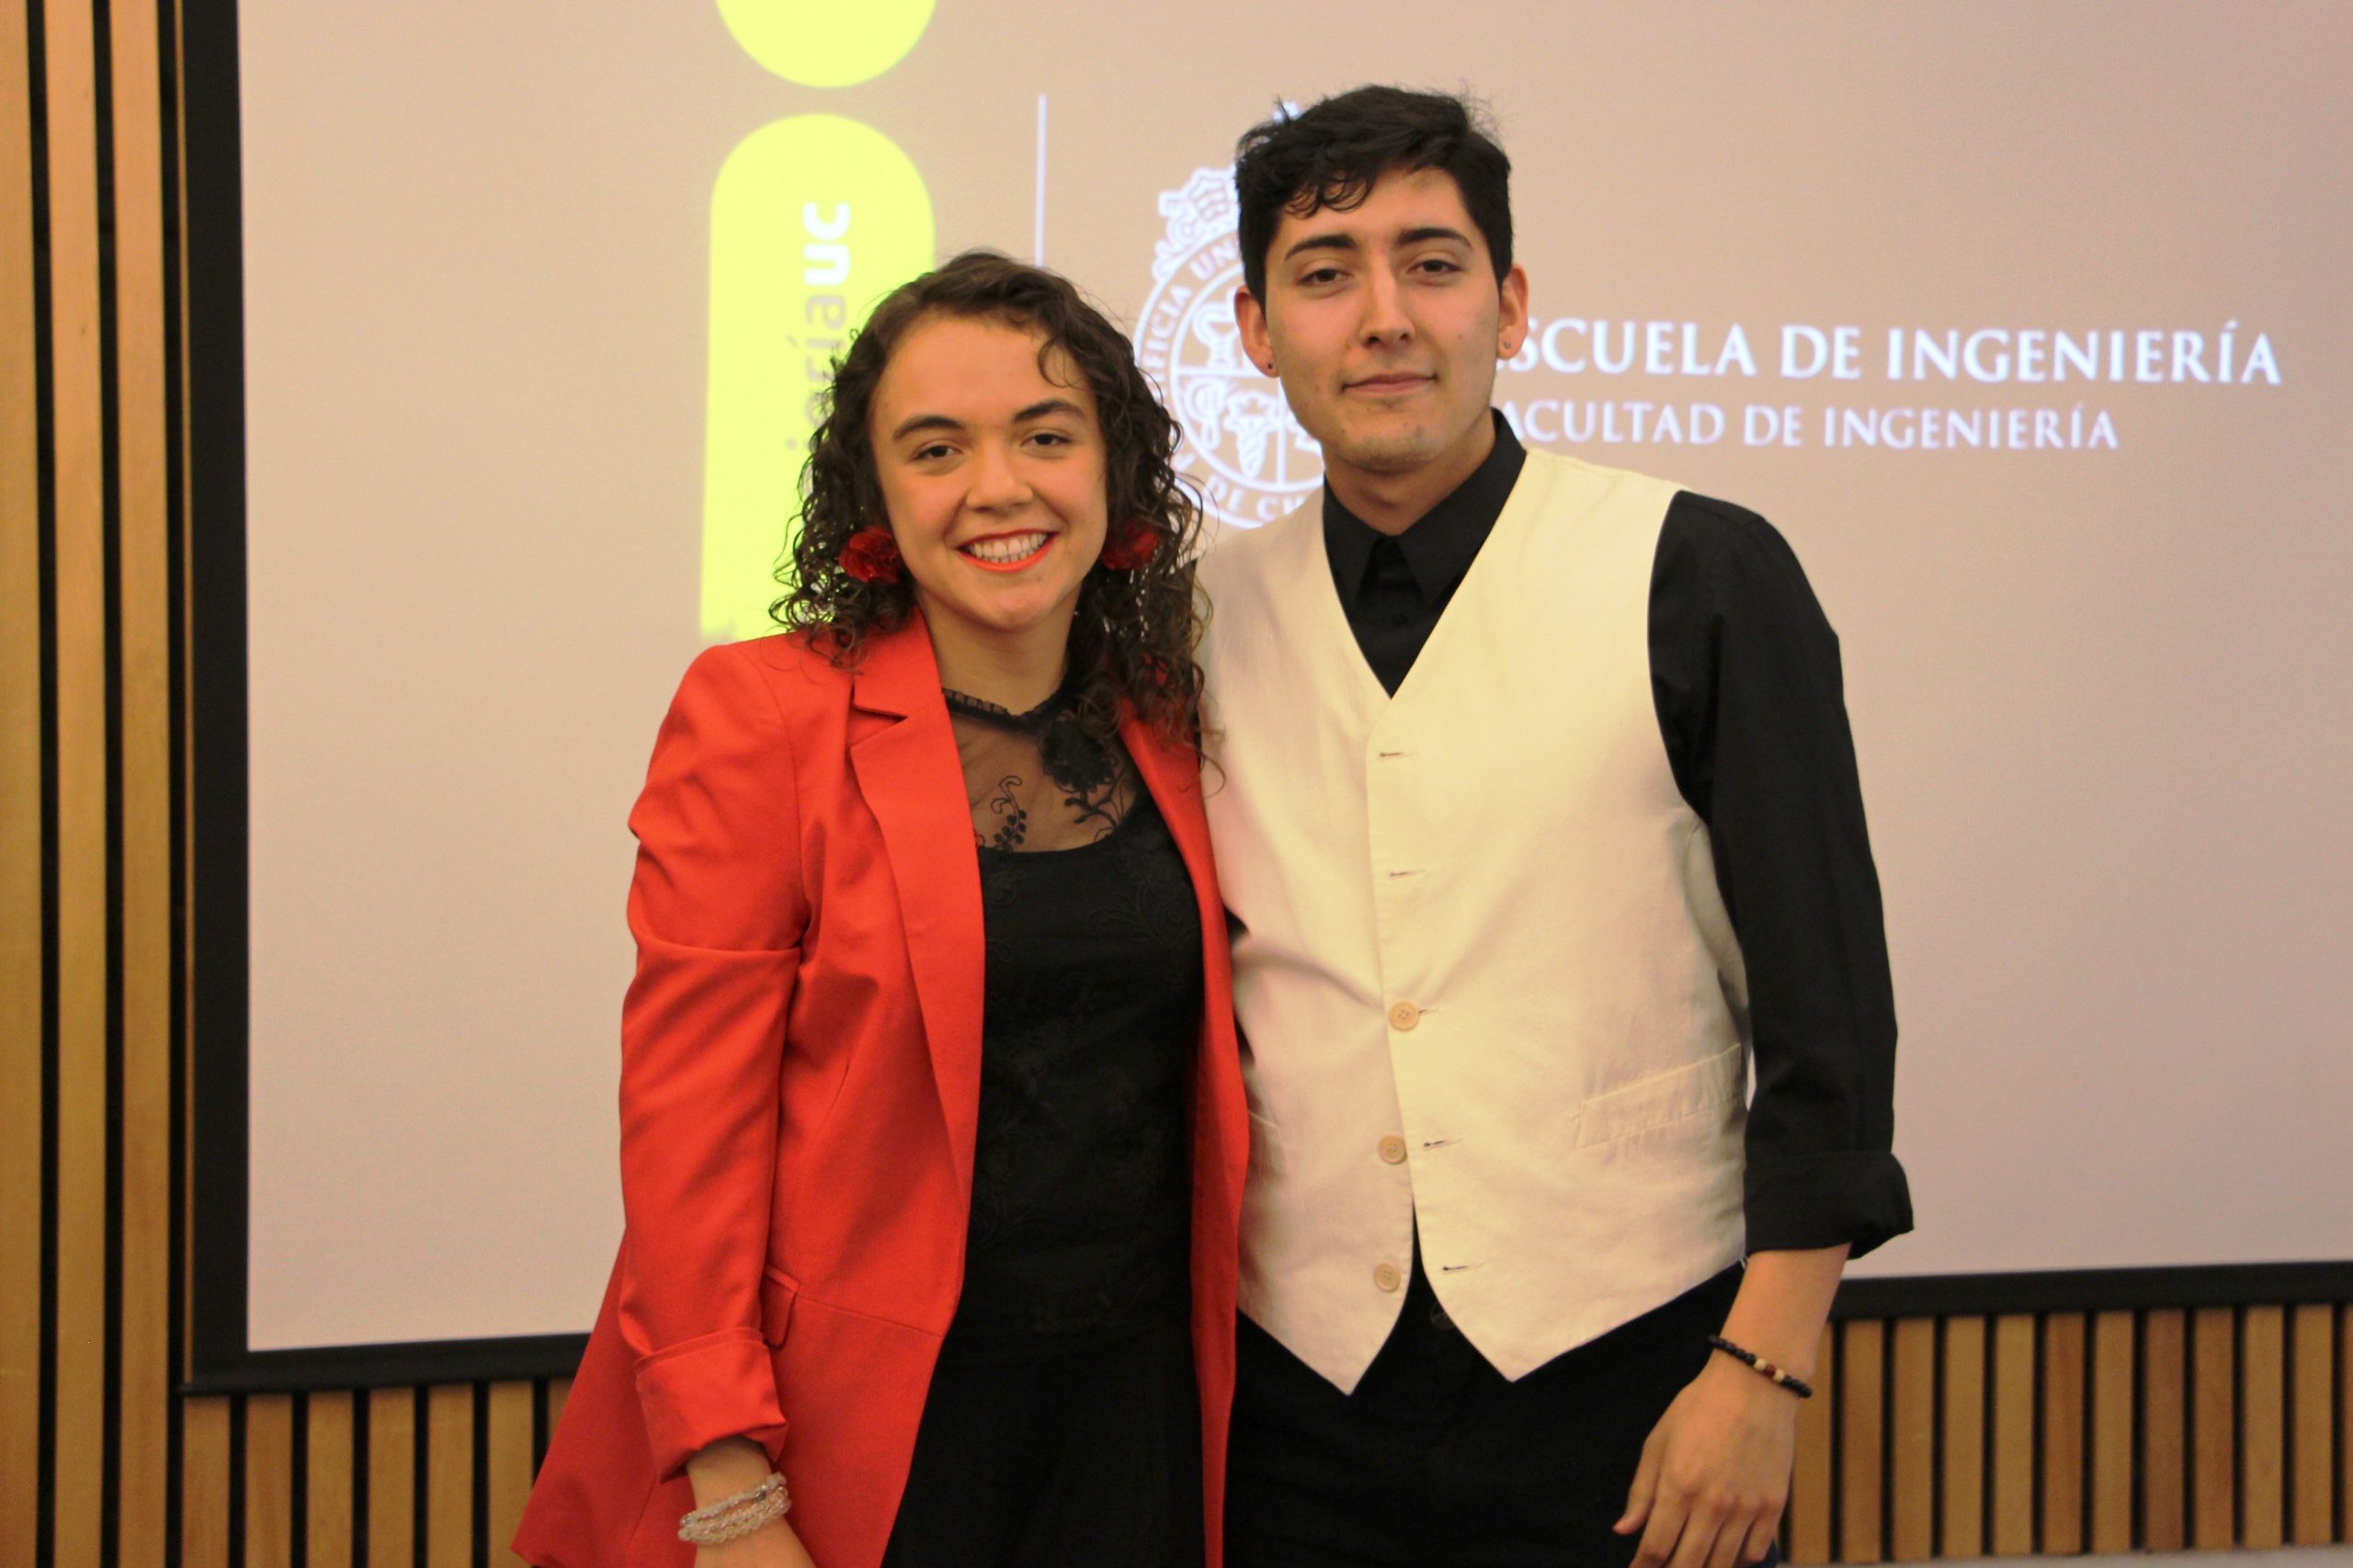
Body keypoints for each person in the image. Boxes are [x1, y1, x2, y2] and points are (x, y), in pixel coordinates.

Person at [1195, 86, 1913, 1568]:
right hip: (1295, 1411)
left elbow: (1828, 1023)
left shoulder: (1702, 573)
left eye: (1433, 263)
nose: (1385, 316)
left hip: (1640, 1383)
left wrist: (1763, 1371)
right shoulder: (1193, 619)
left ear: (1510, 304)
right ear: (1258, 329)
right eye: (1325, 273)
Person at [516, 251, 1247, 1568]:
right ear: (875, 494)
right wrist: (731, 1486)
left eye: (1046, 434)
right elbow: (689, 1127)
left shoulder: (1171, 718)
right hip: (859, 1431)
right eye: (936, 448)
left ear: (1116, 469)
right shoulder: (762, 714)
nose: (999, 486)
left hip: (1133, 1415)